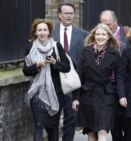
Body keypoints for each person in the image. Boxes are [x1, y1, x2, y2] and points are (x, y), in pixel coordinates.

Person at [23, 18, 70, 141]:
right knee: (39, 124)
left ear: (49, 32)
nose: (42, 32)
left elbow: (67, 67)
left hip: (55, 93)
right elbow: (26, 71)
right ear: (36, 32)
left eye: (45, 30)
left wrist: (55, 63)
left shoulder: (56, 46)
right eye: (40, 30)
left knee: (52, 128)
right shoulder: (30, 47)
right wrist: (37, 65)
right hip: (37, 94)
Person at [72, 23, 120, 141]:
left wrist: (120, 96)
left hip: (106, 96)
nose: (100, 37)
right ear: (94, 36)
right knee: (91, 132)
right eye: (98, 34)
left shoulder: (114, 54)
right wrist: (76, 98)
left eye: (103, 34)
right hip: (88, 95)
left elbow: (119, 77)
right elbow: (79, 75)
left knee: (102, 130)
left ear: (108, 36)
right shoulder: (85, 52)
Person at [53, 2, 88, 141]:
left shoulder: (83, 34)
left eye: (71, 13)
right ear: (59, 15)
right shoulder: (51, 33)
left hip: (73, 81)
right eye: (66, 13)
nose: (69, 16)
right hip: (55, 80)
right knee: (52, 119)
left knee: (71, 118)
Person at [100, 9, 128, 141]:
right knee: (113, 121)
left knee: (127, 122)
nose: (105, 28)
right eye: (103, 24)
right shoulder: (98, 36)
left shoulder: (128, 35)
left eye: (108, 24)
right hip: (107, 85)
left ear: (116, 22)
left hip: (125, 84)